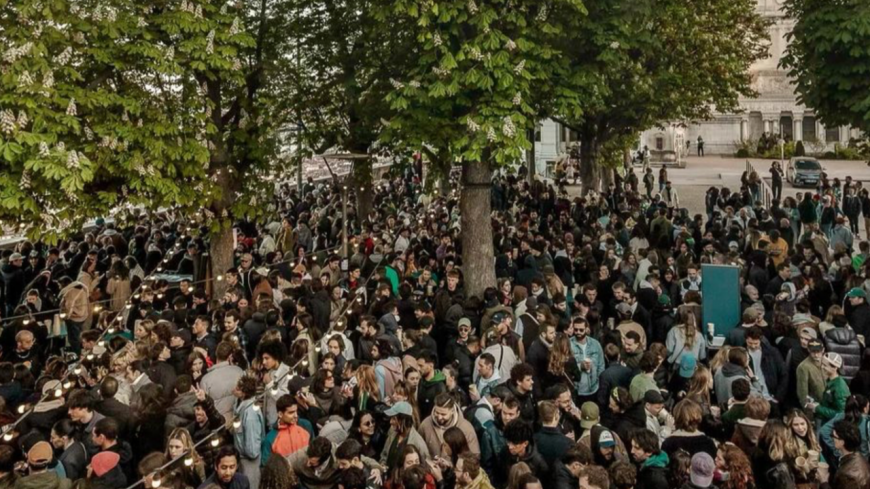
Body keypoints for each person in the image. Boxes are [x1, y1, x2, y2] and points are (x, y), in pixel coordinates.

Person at [808, 352, 850, 424]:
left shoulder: (839, 387)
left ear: (835, 368)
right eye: (822, 364)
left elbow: (840, 413)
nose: (822, 367)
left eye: (825, 365)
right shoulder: (830, 381)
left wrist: (817, 408)